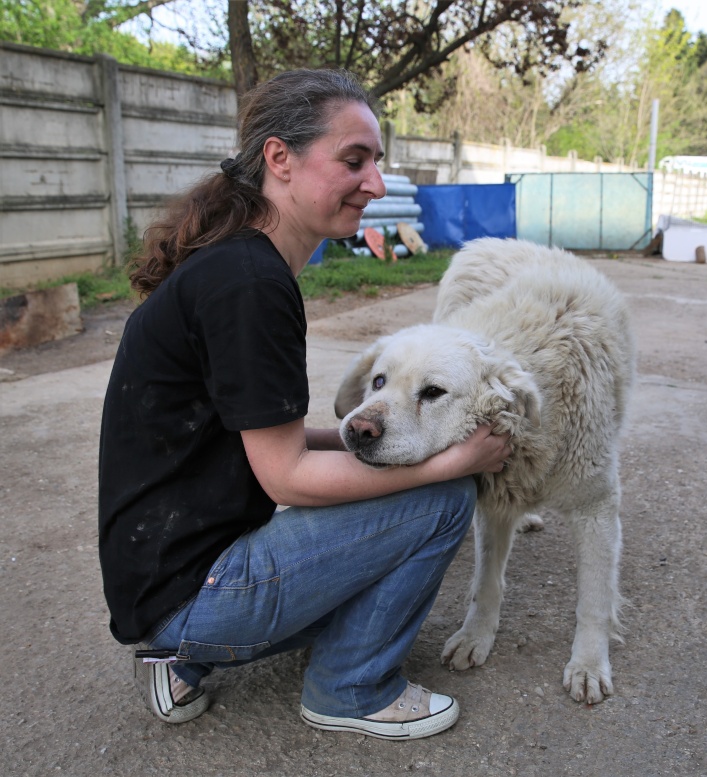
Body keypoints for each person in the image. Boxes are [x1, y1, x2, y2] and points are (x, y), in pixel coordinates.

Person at [98, 68, 510, 741]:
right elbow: (286, 477)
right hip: (192, 593)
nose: (375, 183)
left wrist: (352, 437)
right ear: (280, 159)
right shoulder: (249, 282)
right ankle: (349, 686)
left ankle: (181, 660)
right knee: (441, 502)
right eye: (355, 160)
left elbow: (261, 437)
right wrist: (455, 460)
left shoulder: (236, 265)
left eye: (377, 163)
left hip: (158, 584)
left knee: (377, 499)